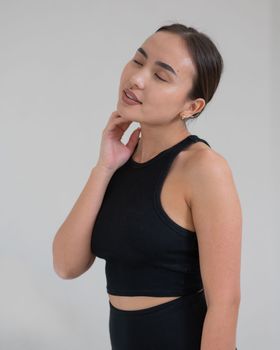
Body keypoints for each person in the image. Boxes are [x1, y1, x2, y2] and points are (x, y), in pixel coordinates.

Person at [52, 22, 241, 350]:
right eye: (139, 61)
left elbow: (225, 303)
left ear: (192, 106)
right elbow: (66, 265)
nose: (137, 78)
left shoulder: (204, 168)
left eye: (161, 75)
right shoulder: (120, 163)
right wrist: (104, 167)